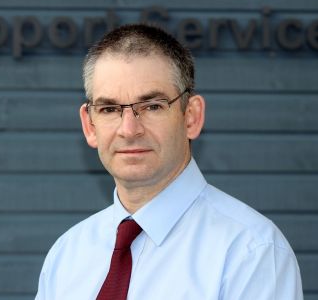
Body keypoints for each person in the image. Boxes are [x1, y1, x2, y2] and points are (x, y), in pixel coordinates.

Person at [35, 24, 303, 299]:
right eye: (110, 109)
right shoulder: (66, 257)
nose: (129, 129)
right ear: (89, 125)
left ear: (191, 117)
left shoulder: (250, 252)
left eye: (152, 106)